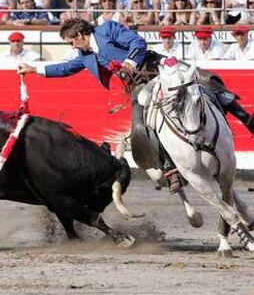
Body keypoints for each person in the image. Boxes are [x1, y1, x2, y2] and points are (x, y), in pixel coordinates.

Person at [17, 18, 254, 194]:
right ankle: (170, 168)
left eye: (71, 41)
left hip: (154, 67)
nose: (73, 46)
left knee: (204, 80)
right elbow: (64, 69)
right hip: (139, 88)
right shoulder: (85, 56)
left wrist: (130, 61)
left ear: (79, 34)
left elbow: (137, 42)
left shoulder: (107, 29)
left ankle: (245, 117)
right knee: (142, 126)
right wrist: (34, 69)